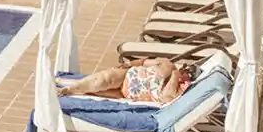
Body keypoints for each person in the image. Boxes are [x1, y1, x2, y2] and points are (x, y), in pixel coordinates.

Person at [59, 58, 195, 104]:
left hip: (125, 95)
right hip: (126, 75)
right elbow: (144, 62)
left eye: (189, 74)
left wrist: (175, 75)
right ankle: (69, 87)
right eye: (186, 69)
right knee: (101, 81)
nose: (186, 73)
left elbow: (166, 98)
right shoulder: (167, 65)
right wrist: (130, 63)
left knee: (92, 93)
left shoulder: (178, 91)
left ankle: (67, 87)